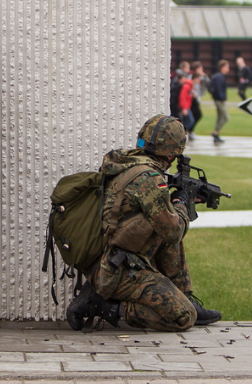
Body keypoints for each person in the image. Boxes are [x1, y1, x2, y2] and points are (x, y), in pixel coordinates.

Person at [66, 115, 221, 332]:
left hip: (112, 259)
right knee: (184, 317)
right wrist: (182, 203)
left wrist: (176, 203)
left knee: (165, 223)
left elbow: (161, 226)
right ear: (171, 152)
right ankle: (103, 305)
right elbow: (174, 231)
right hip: (119, 270)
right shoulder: (149, 179)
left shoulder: (126, 164)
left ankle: (183, 294)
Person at [188, 61, 211, 139]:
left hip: (197, 98)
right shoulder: (191, 76)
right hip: (191, 99)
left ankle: (190, 131)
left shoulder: (201, 77)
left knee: (196, 115)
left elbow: (208, 84)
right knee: (197, 115)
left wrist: (204, 76)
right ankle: (189, 130)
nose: (202, 70)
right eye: (200, 68)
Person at [210, 60, 230, 145]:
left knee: (220, 117)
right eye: (227, 67)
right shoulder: (219, 77)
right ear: (223, 67)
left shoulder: (221, 76)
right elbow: (218, 89)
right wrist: (222, 98)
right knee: (226, 117)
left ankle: (216, 134)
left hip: (220, 99)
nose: (228, 69)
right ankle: (215, 133)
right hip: (219, 100)